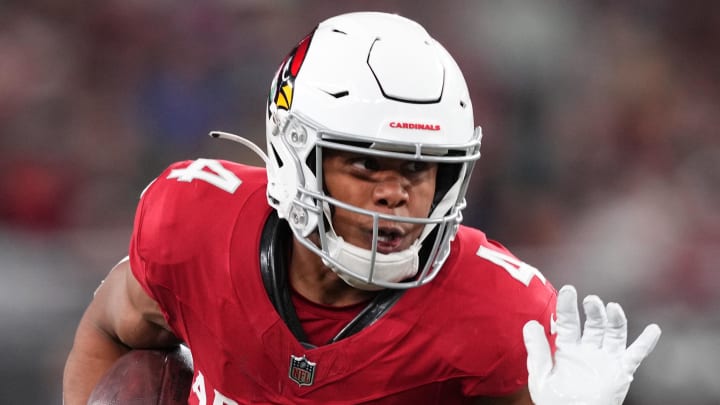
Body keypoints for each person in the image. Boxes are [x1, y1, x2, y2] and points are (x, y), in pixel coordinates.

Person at [63, 11, 660, 404]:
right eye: (368, 163)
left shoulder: (503, 312)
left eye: (420, 168)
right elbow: (107, 329)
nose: (396, 193)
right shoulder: (193, 224)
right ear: (296, 153)